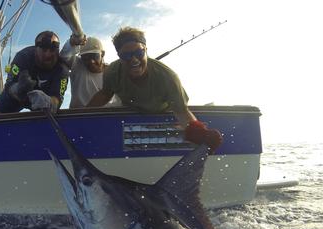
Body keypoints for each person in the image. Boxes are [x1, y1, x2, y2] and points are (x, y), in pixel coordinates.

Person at [87, 27, 222, 153]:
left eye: (139, 53)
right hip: (130, 113)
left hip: (163, 113)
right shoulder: (112, 72)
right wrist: (79, 114)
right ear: (119, 56)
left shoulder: (168, 77)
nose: (134, 60)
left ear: (146, 50)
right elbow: (105, 95)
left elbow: (181, 111)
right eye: (126, 55)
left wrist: (201, 134)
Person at [0, 31, 69, 114]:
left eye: (52, 50)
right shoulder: (22, 57)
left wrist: (49, 102)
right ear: (36, 50)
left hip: (43, 102)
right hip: (17, 98)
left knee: (51, 112)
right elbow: (9, 85)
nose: (48, 54)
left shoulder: (62, 68)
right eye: (44, 50)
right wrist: (17, 88)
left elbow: (57, 98)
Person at [59, 35, 120, 108]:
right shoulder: (77, 65)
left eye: (95, 56)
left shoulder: (113, 72)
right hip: (78, 117)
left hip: (106, 115)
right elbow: (64, 56)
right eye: (85, 58)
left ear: (102, 54)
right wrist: (71, 42)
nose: (91, 61)